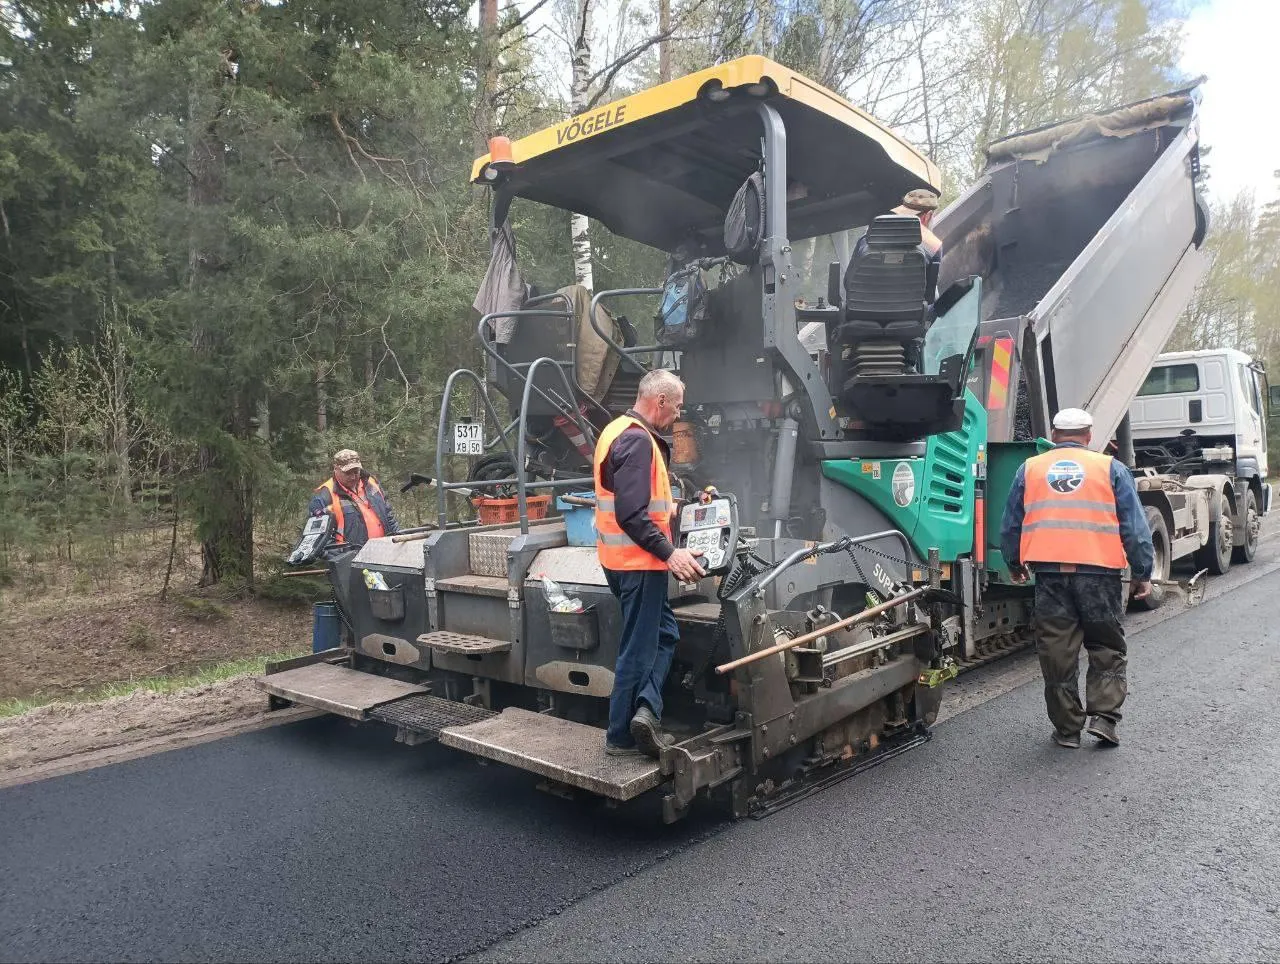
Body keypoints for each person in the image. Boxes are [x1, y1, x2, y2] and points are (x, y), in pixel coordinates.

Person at [1001, 408, 1154, 749]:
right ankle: (1104, 718)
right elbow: (1134, 527)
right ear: (1089, 436)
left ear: (1054, 435)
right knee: (1106, 645)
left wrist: (1014, 561)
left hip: (1050, 577)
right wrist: (1142, 573)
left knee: (1057, 652)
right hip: (1100, 576)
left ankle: (1067, 729)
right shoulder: (1110, 468)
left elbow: (1011, 522)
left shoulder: (1030, 469)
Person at [593, 369, 706, 758]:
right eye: (676, 407)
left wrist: (675, 510)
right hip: (638, 563)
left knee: (665, 633)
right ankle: (621, 737)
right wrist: (671, 553)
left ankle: (646, 710)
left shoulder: (616, 429)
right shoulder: (639, 441)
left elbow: (634, 502)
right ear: (659, 401)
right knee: (639, 649)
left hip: (620, 559)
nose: (678, 414)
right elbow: (631, 514)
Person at [307, 449, 401, 550]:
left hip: (385, 549)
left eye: (356, 472)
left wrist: (398, 537)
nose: (353, 477)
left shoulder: (372, 483)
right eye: (347, 473)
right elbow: (318, 537)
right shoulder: (324, 496)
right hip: (351, 558)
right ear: (336, 469)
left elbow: (388, 514)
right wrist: (338, 556)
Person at [853, 188, 943, 262]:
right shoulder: (933, 246)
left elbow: (848, 280)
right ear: (928, 216)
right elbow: (932, 282)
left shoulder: (870, 234)